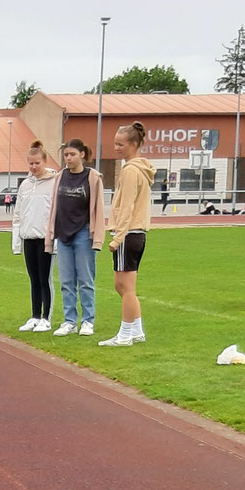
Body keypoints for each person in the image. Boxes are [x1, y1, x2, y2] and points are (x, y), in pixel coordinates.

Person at [100, 121, 154, 347]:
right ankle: (136, 330)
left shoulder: (132, 171)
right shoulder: (138, 169)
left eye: (120, 144)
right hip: (135, 233)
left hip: (130, 233)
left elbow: (127, 206)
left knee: (125, 287)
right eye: (115, 143)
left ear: (133, 144)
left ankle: (125, 334)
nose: (116, 148)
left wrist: (117, 237)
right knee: (122, 286)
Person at [44, 136, 105, 336]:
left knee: (86, 280)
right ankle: (69, 321)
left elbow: (98, 208)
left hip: (83, 233)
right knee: (66, 281)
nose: (68, 159)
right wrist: (51, 235)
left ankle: (88, 321)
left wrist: (96, 237)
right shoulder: (60, 177)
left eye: (71, 155)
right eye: (65, 156)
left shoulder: (93, 178)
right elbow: (54, 206)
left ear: (82, 154)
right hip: (63, 235)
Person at [10, 140, 56, 330]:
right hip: (28, 237)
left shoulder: (54, 182)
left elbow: (55, 212)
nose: (34, 166)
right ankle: (35, 315)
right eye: (31, 163)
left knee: (45, 278)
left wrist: (54, 237)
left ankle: (46, 317)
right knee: (33, 278)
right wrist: (16, 241)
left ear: (44, 161)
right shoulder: (25, 185)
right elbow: (18, 213)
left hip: (45, 238)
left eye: (37, 163)